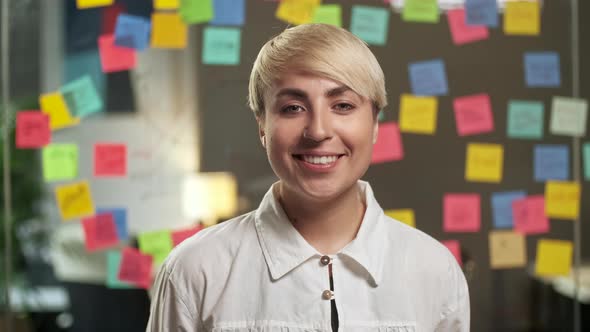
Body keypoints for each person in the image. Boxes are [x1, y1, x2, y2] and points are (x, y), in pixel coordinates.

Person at [146, 23, 469, 332]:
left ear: (374, 125)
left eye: (342, 105)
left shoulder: (435, 270)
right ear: (262, 125)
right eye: (292, 108)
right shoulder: (194, 270)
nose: (317, 131)